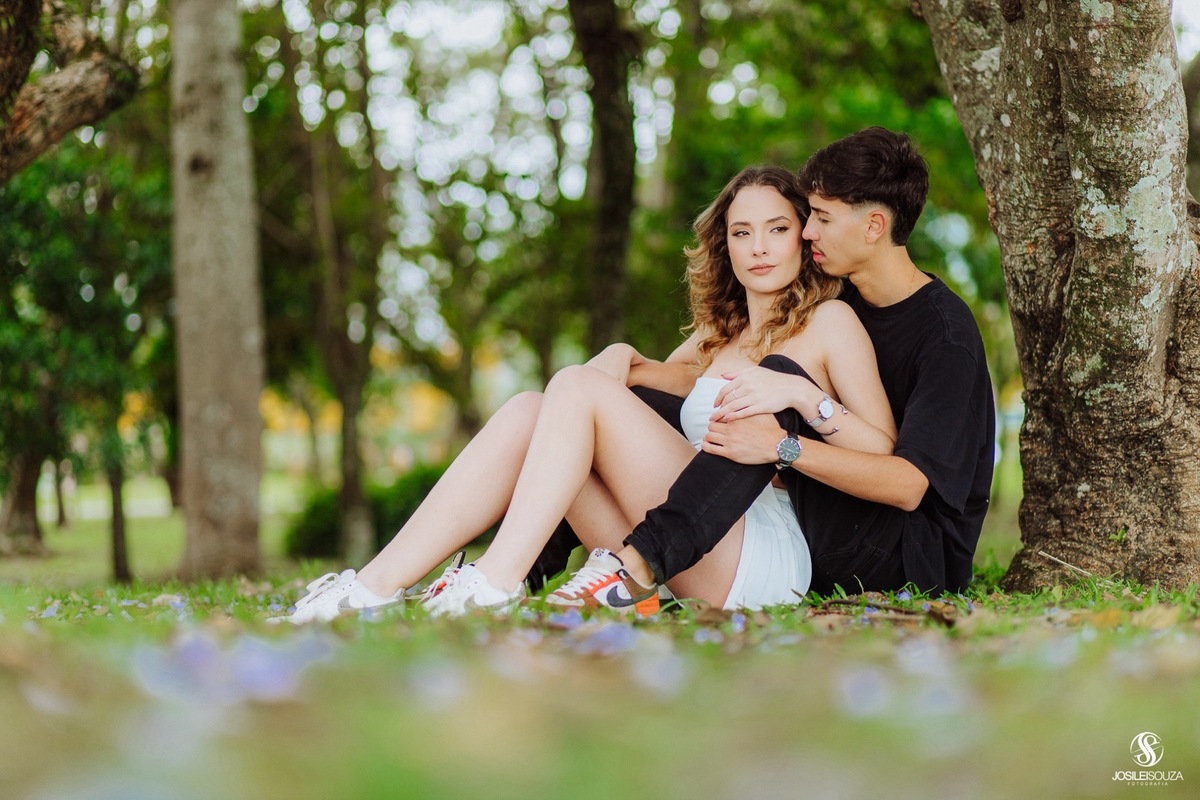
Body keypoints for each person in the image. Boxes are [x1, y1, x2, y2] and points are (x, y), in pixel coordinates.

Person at [272, 164, 898, 623]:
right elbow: (650, 386)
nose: (758, 247)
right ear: (724, 245)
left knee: (571, 388)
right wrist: (623, 356)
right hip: (671, 545)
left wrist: (800, 395)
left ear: (802, 238)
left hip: (754, 552)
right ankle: (371, 588)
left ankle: (495, 581)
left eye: (777, 228)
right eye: (741, 233)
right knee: (529, 409)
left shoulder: (829, 322)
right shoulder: (719, 332)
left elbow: (884, 449)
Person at [545, 126, 996, 609]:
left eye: (820, 217)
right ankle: (527, 568)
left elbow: (908, 487)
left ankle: (640, 566)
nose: (807, 231)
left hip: (907, 555)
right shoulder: (840, 295)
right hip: (823, 523)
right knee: (655, 401)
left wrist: (784, 446)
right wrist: (628, 364)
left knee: (780, 378)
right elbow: (704, 377)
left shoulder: (945, 336)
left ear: (874, 227)